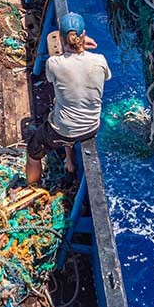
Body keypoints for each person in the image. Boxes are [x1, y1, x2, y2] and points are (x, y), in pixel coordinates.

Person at [26, 12, 111, 186]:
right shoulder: (100, 60)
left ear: (61, 39)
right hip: (91, 127)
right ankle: (71, 164)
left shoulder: (54, 64)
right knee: (65, 104)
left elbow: (52, 77)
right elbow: (101, 76)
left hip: (64, 131)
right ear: (84, 35)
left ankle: (31, 187)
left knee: (34, 150)